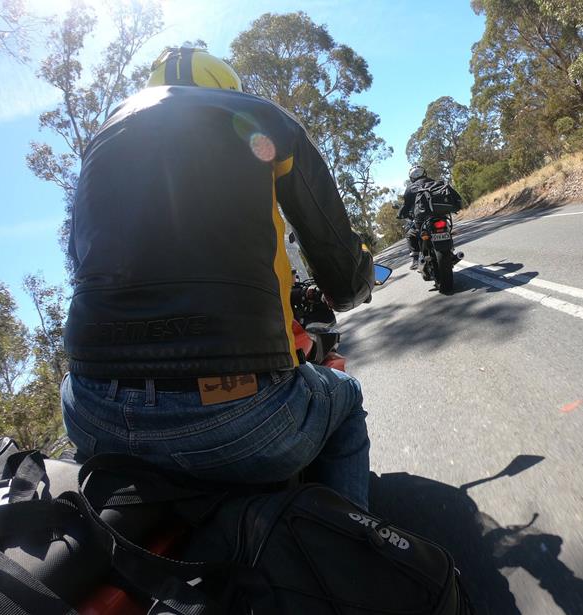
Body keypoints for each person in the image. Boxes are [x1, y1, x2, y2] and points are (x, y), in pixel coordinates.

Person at [60, 47, 375, 509]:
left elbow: (79, 262)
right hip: (235, 417)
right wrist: (355, 279)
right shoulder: (257, 116)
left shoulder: (100, 141)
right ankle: (347, 558)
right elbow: (335, 254)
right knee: (345, 396)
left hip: (90, 413)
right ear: (228, 88)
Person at [397, 165, 462, 269]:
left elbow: (406, 205)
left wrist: (400, 214)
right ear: (424, 173)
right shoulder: (435, 182)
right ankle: (451, 252)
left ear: (412, 178)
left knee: (410, 234)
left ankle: (415, 258)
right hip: (441, 215)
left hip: (422, 219)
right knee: (447, 229)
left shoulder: (410, 188)